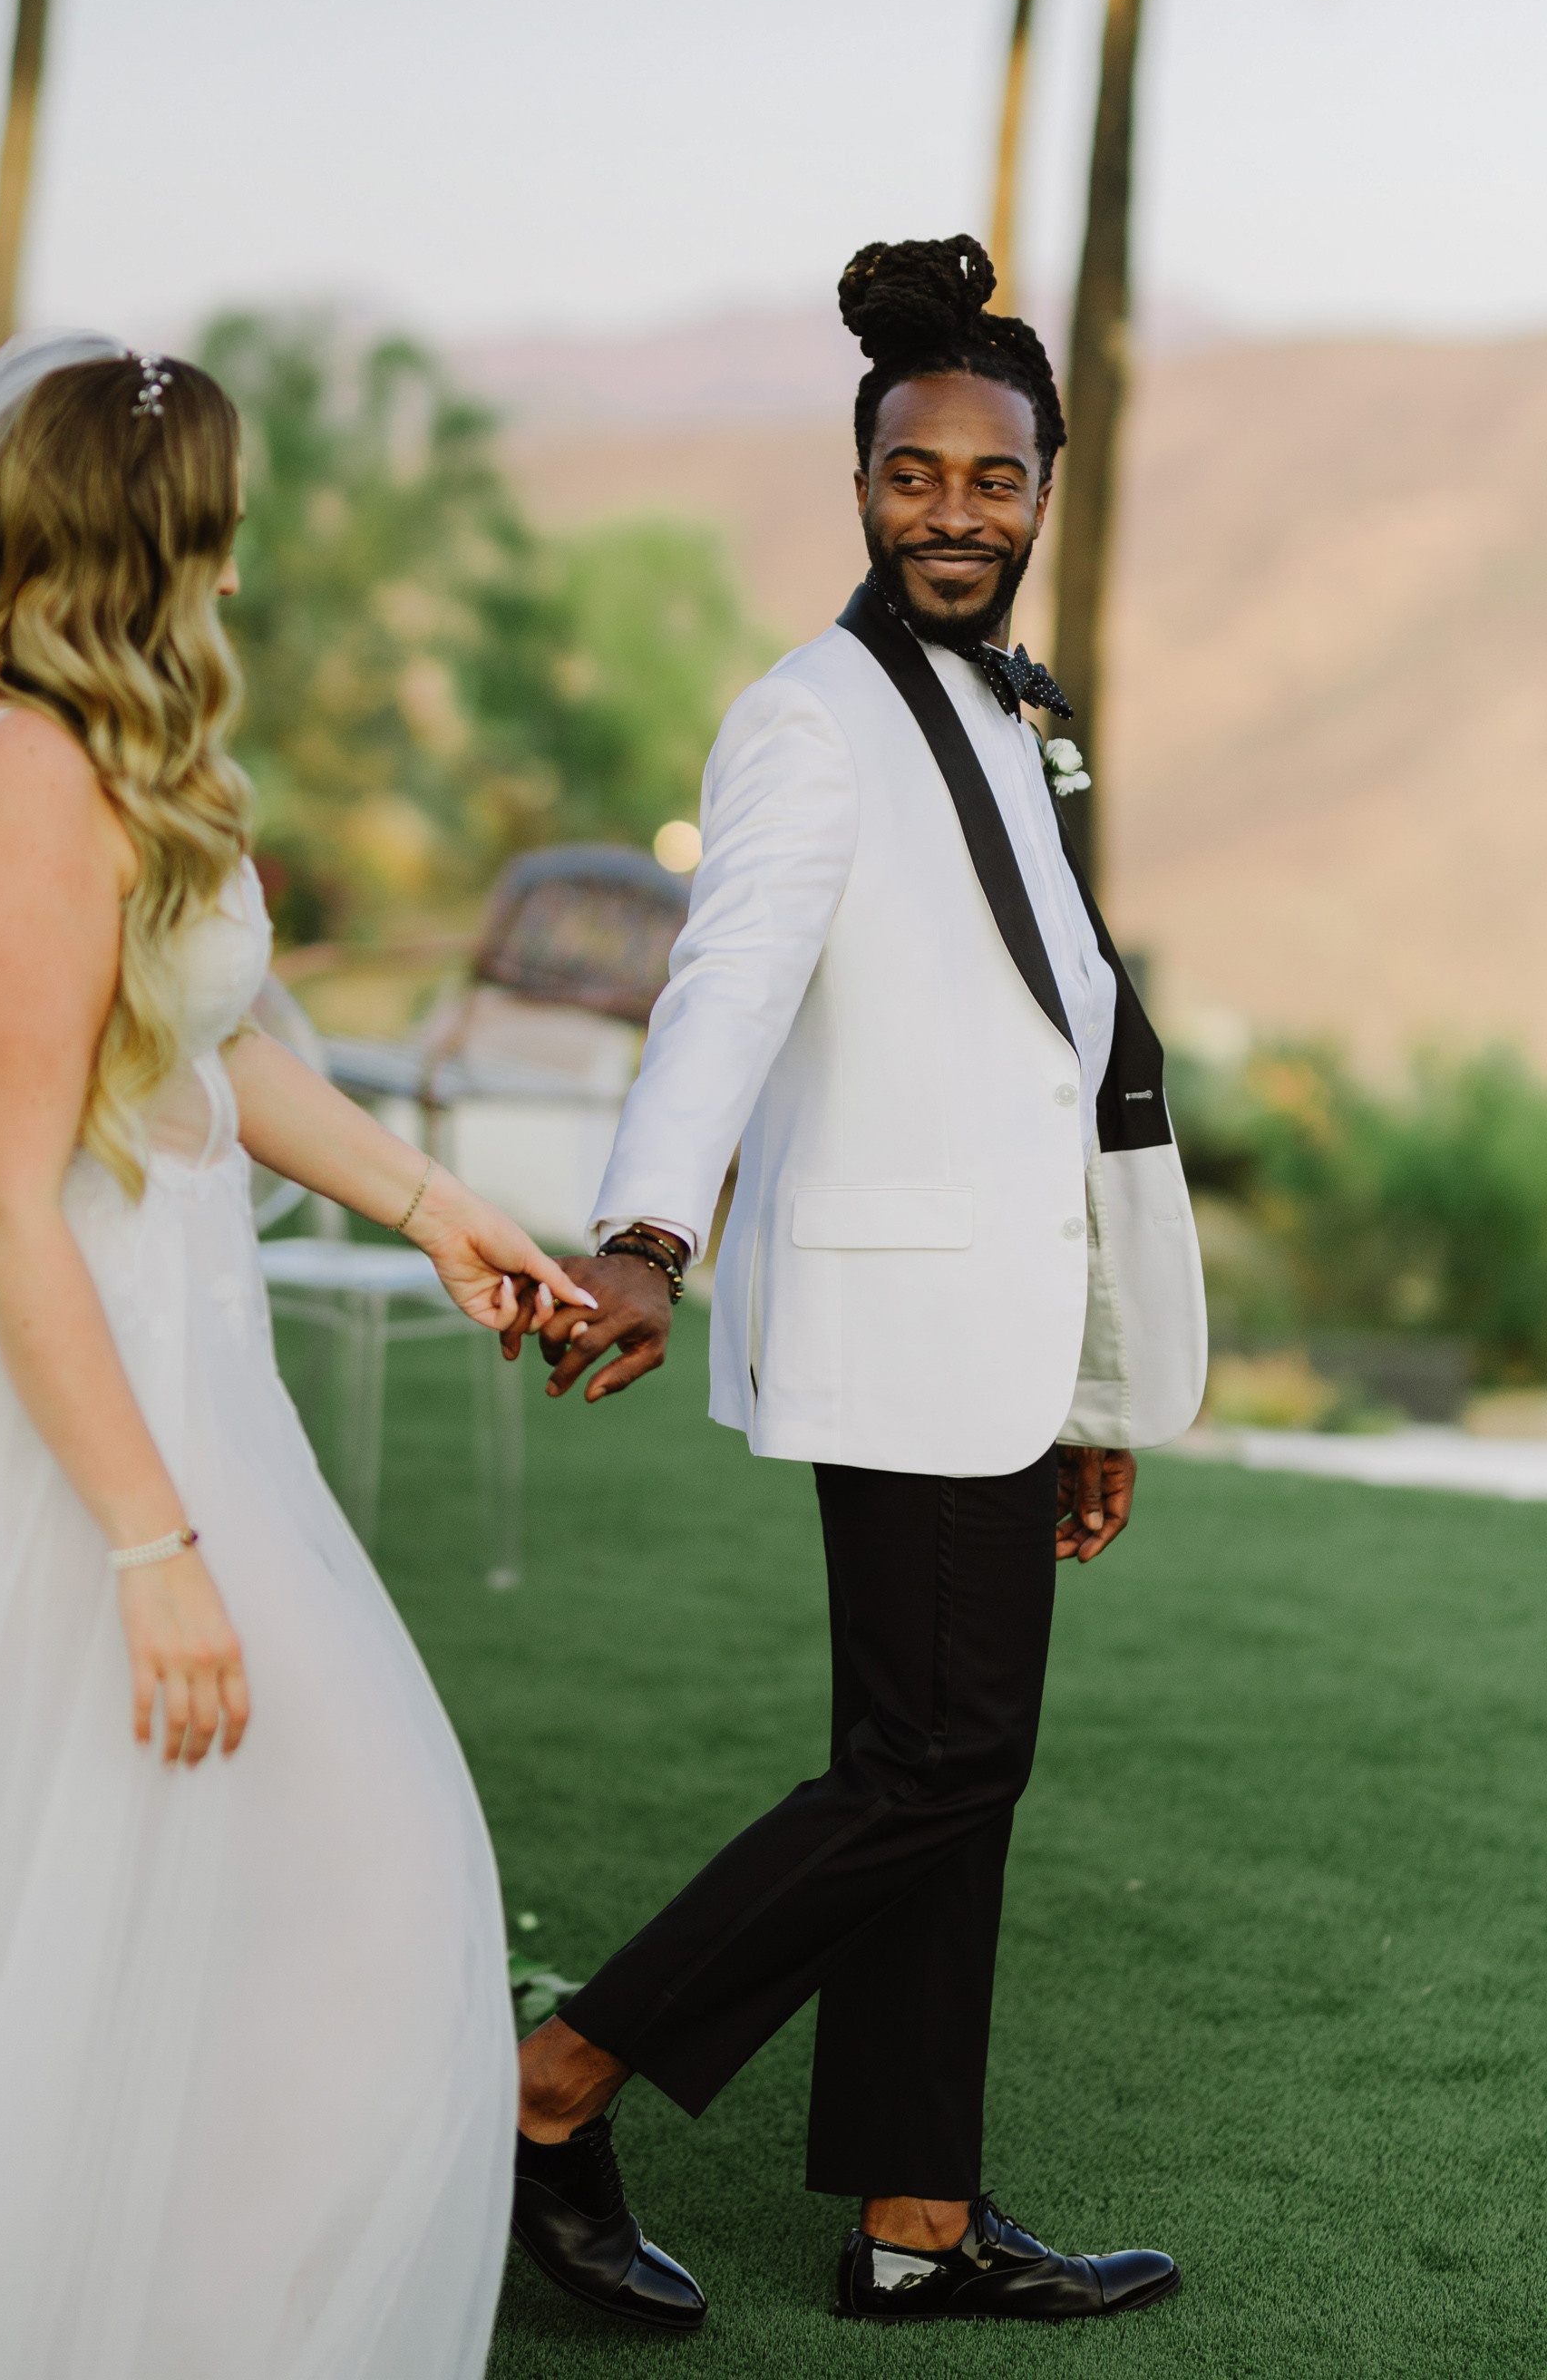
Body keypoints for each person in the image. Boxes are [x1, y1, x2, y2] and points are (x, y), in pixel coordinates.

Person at [0, 335, 593, 2380]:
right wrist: (151, 1544)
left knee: (147, 1916)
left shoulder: (63, 741)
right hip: (57, 1397)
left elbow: (222, 1039)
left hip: (143, 1358)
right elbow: (8, 1195)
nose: (237, 570)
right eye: (215, 534)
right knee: (352, 1899)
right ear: (145, 535)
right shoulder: (21, 779)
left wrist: (432, 1207)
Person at [511, 235, 1209, 2331]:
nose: (954, 514)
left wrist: (1092, 1376)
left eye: (992, 481)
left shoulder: (1000, 713)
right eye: (917, 476)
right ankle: (553, 2084)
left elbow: (1055, 1040)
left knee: (938, 1772)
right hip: (891, 1329)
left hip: (991, 1340)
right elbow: (720, 987)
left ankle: (916, 2223)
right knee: (927, 1765)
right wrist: (645, 1233)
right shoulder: (808, 720)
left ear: (1037, 495)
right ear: (861, 487)